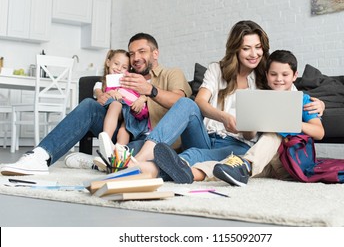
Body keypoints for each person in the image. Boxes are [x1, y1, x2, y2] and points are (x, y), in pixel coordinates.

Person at [97, 21, 325, 183]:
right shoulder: (217, 70)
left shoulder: (268, 76)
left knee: (192, 157)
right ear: (236, 48)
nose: (253, 53)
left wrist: (320, 105)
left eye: (258, 48)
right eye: (246, 48)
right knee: (187, 104)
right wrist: (223, 117)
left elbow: (290, 93)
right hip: (206, 136)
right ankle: (143, 157)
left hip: (237, 144)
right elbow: (201, 102)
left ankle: (142, 168)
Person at [0, 33, 192, 176]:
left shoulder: (171, 73)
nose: (135, 58)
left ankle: (97, 161)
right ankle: (40, 156)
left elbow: (180, 102)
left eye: (142, 51)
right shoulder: (126, 76)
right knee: (89, 105)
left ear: (155, 53)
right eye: (132, 53)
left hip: (149, 140)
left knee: (133, 154)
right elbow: (108, 95)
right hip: (122, 130)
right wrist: (103, 97)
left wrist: (149, 90)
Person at [205, 49, 325, 186]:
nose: (279, 79)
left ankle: (246, 165)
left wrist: (290, 122)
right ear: (267, 75)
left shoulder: (303, 100)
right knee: (228, 165)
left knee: (274, 131)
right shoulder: (261, 99)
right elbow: (250, 137)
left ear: (295, 75)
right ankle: (192, 172)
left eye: (285, 74)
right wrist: (251, 123)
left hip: (292, 162)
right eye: (273, 74)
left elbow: (319, 133)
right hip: (266, 161)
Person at [93, 49, 149, 168]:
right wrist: (113, 92)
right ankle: (106, 142)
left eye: (124, 67)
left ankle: (118, 154)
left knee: (125, 129)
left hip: (135, 113)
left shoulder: (131, 81)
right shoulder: (103, 84)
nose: (119, 69)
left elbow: (147, 93)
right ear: (108, 62)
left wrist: (141, 100)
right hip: (119, 109)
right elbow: (99, 94)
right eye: (116, 64)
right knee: (116, 104)